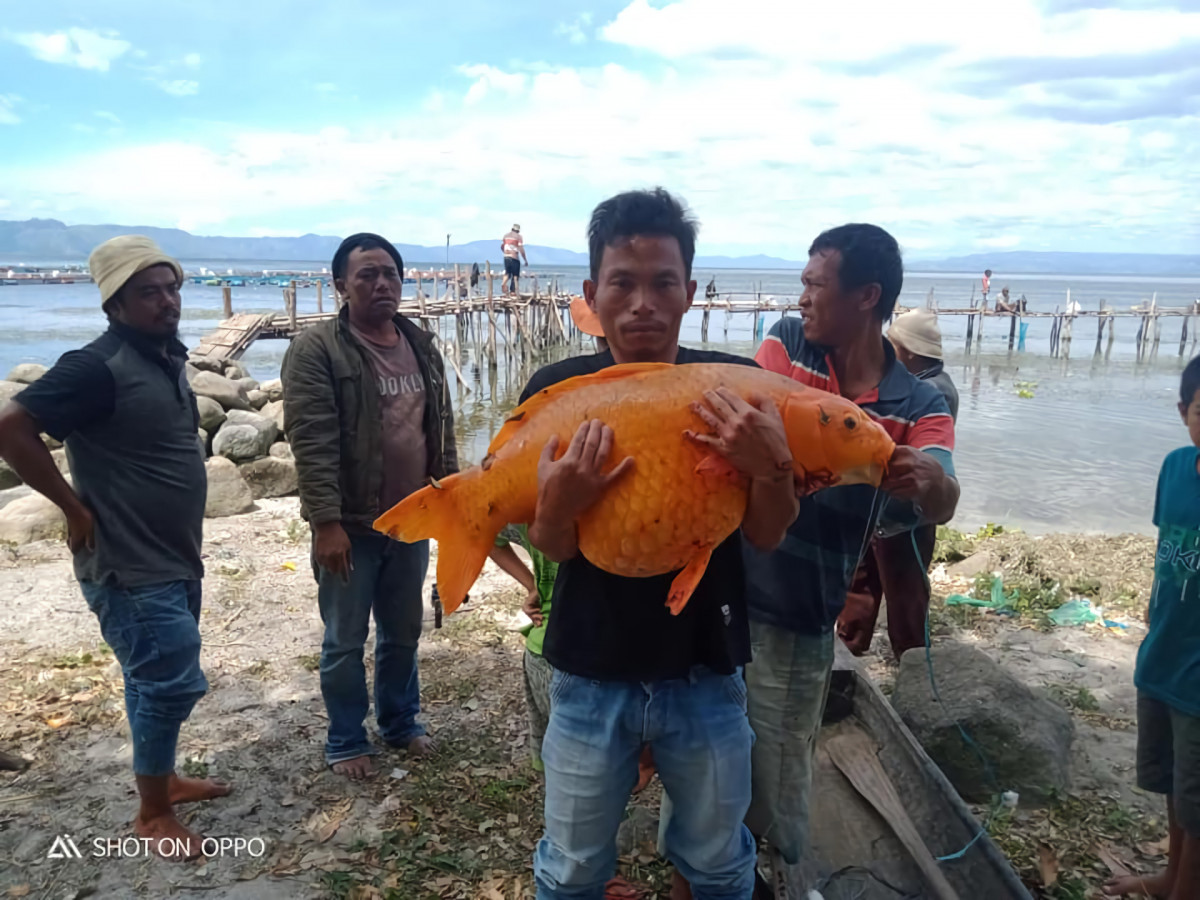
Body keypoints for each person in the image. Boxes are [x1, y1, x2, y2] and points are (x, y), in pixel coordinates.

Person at [526, 187, 800, 900]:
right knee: (573, 866)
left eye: (662, 283)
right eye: (623, 282)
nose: (642, 301)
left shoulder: (736, 391)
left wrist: (772, 463)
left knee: (717, 862)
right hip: (589, 669)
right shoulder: (557, 393)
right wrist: (561, 504)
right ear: (591, 293)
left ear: (691, 291)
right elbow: (553, 548)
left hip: (706, 668)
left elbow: (767, 533)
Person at [0, 235, 229, 859]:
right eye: (148, 293)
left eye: (172, 287)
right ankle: (153, 815)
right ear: (115, 304)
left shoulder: (162, 356)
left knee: (147, 677)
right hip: (128, 564)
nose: (167, 302)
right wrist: (70, 505)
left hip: (173, 553)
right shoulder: (95, 366)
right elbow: (10, 425)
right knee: (172, 682)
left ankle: (165, 778)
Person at [743, 224, 959, 875]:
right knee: (720, 759)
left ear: (866, 296)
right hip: (731, 591)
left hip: (805, 610)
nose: (802, 297)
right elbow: (756, 421)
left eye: (815, 283)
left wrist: (930, 481)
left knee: (779, 767)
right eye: (802, 283)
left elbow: (945, 498)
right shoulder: (786, 343)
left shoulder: (919, 402)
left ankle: (770, 872)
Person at [282, 232, 458, 780]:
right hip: (353, 524)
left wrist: (451, 498)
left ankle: (401, 723)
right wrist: (325, 524)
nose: (382, 284)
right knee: (344, 638)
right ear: (341, 285)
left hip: (412, 520)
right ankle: (345, 739)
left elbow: (441, 428)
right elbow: (312, 441)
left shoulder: (420, 342)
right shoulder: (317, 350)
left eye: (390, 274)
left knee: (403, 630)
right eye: (367, 275)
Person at [1103, 356, 1200, 900]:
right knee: (1174, 787)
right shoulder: (1176, 467)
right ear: (1184, 411)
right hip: (1162, 655)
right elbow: (1167, 553)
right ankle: (1172, 875)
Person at [837, 308, 959, 659]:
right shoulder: (924, 385)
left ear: (904, 352)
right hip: (877, 509)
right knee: (860, 588)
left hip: (906, 516)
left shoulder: (933, 392)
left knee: (905, 598)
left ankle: (913, 663)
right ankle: (848, 656)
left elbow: (928, 459)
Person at [502, 223, 528, 296]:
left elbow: (502, 246)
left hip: (506, 256)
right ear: (518, 230)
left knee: (507, 273)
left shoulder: (505, 236)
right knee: (515, 275)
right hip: (514, 257)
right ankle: (513, 291)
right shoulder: (518, 237)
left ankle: (503, 283)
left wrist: (505, 252)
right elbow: (521, 248)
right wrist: (525, 259)